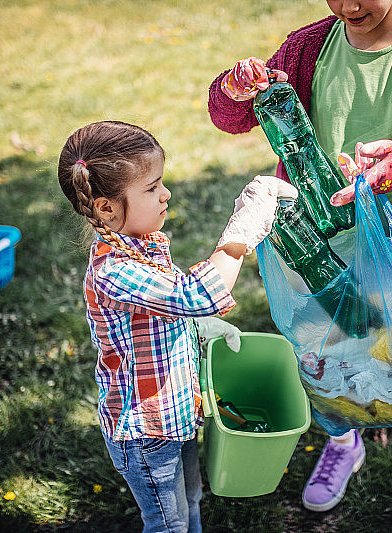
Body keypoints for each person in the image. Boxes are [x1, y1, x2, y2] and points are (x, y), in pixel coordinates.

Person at [208, 1, 392, 531]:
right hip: (309, 251)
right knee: (325, 362)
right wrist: (233, 88)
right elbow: (231, 117)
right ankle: (343, 444)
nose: (348, 6)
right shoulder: (309, 46)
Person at [57, 120, 297, 532]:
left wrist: (195, 326)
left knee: (190, 501)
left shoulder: (141, 243)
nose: (166, 193)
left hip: (175, 415)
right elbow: (193, 295)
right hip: (147, 432)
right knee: (168, 525)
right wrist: (241, 232)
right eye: (151, 188)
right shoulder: (113, 270)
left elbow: (168, 306)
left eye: (161, 181)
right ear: (106, 208)